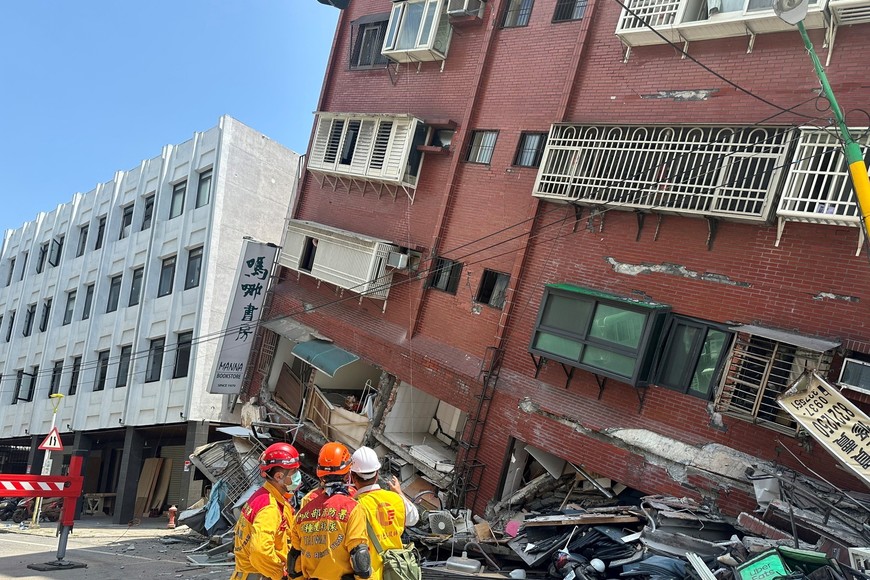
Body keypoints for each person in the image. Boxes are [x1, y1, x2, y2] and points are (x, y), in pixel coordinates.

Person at [290, 442, 371, 580]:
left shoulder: (303, 512)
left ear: (320, 475)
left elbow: (294, 560)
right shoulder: (351, 508)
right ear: (347, 475)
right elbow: (360, 555)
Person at [232, 442, 303, 580]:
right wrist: (280, 573)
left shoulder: (262, 496)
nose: (297, 476)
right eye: (294, 471)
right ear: (278, 476)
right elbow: (260, 551)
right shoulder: (270, 508)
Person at [350, 446, 420, 580]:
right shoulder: (396, 500)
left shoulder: (354, 507)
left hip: (370, 575)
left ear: (353, 477)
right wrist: (400, 493)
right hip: (396, 572)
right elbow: (414, 518)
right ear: (377, 474)